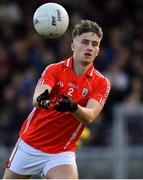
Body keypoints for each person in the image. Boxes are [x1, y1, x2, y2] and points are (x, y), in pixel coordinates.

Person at [3, 19, 110, 179]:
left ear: (98, 51)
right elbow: (37, 97)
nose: (89, 47)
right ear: (73, 46)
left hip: (61, 152)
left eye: (94, 44)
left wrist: (73, 107)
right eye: (85, 42)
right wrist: (43, 100)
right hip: (30, 145)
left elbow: (90, 116)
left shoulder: (101, 82)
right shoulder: (54, 69)